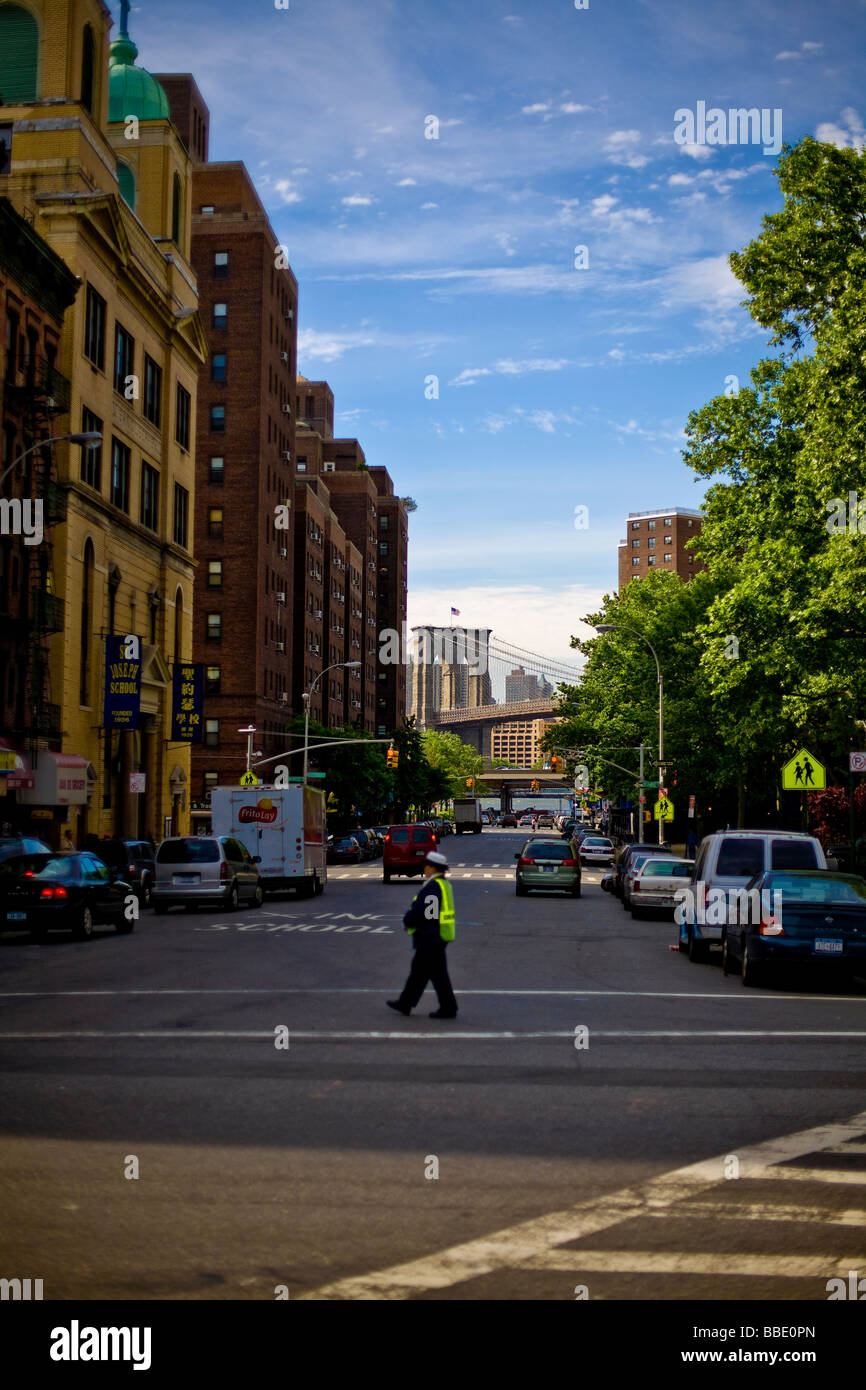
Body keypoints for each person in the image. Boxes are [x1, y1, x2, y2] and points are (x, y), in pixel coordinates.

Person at [387, 851, 457, 1019]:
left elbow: (427, 914)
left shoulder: (433, 887)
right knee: (422, 974)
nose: (424, 868)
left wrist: (409, 921)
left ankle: (447, 1008)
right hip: (436, 937)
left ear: (433, 867)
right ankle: (406, 1003)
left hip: (430, 937)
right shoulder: (442, 884)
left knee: (430, 975)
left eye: (426, 865)